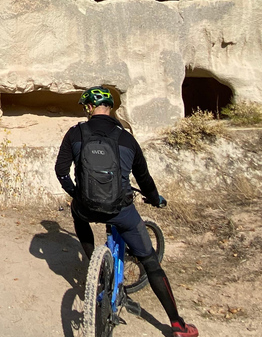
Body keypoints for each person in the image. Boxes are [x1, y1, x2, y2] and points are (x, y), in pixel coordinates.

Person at [55, 86, 199, 337]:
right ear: (109, 108)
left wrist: (75, 193)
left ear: (89, 108)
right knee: (151, 263)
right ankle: (177, 324)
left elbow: (61, 171)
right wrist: (155, 199)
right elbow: (143, 178)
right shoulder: (126, 138)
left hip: (86, 207)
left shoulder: (75, 134)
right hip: (121, 210)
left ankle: (96, 269)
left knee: (78, 216)